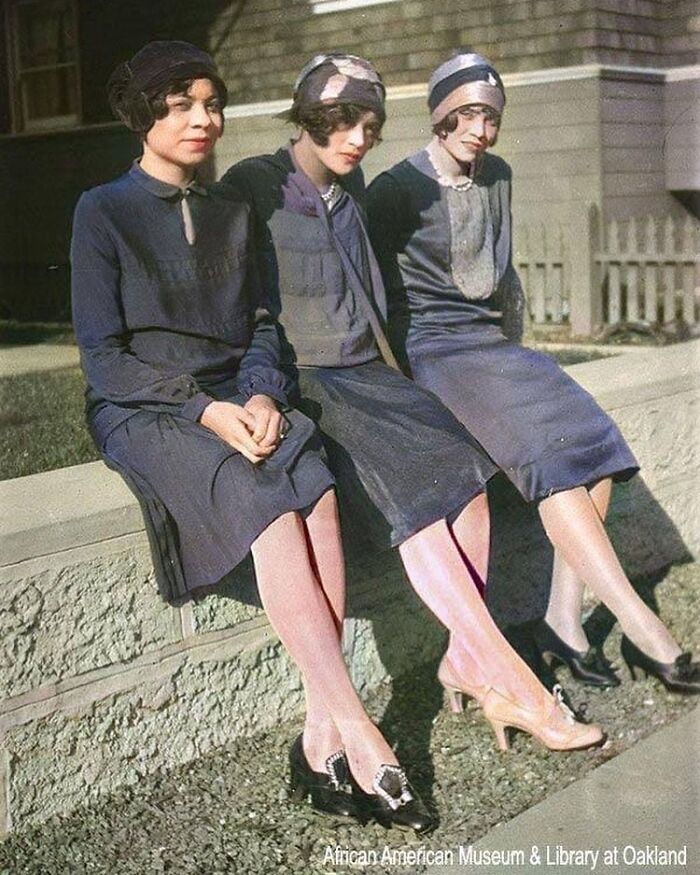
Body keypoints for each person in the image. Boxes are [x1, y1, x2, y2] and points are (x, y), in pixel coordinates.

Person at [71, 41, 442, 833]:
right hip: (148, 406)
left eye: (211, 103)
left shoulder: (233, 209)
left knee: (315, 491)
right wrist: (205, 411)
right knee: (265, 502)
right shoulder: (101, 210)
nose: (203, 119)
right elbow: (105, 360)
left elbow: (264, 325)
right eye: (180, 105)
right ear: (144, 116)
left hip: (237, 395)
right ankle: (363, 732)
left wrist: (265, 393)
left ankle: (317, 739)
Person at [219, 52, 604, 773]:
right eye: (343, 122)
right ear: (307, 116)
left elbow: (373, 296)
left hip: (371, 373)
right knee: (421, 502)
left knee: (465, 472)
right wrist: (252, 391)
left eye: (369, 125)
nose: (359, 138)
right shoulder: (253, 184)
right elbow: (235, 305)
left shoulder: (353, 185)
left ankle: (463, 657)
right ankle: (515, 684)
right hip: (310, 384)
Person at [366, 51, 699, 695]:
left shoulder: (500, 176)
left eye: (489, 118)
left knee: (592, 452)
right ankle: (644, 631)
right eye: (464, 116)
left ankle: (563, 621)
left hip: (494, 349)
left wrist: (517, 355)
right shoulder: (394, 188)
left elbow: (501, 273)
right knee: (552, 463)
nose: (479, 132)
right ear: (439, 117)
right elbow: (373, 296)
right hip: (436, 355)